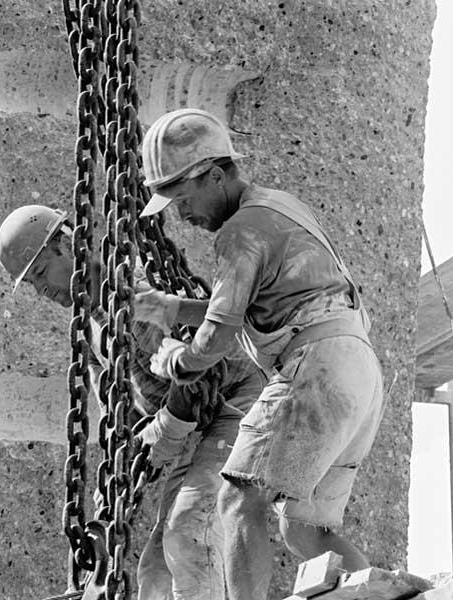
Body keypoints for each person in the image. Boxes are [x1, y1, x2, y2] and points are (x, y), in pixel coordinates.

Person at [135, 108, 386, 600]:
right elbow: (265, 300)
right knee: (306, 532)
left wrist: (176, 361)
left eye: (183, 200)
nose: (182, 217)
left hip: (314, 367)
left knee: (237, 496)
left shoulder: (238, 231)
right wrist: (174, 307)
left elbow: (221, 336)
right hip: (355, 368)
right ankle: (388, 591)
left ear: (213, 175)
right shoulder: (277, 207)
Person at [0, 204, 264, 600]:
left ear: (67, 245)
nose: (42, 290)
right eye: (31, 284)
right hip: (193, 430)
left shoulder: (135, 283)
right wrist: (108, 504)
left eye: (39, 274)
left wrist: (167, 427)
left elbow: (194, 364)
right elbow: (114, 414)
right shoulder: (88, 327)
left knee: (190, 529)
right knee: (156, 568)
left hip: (235, 405)